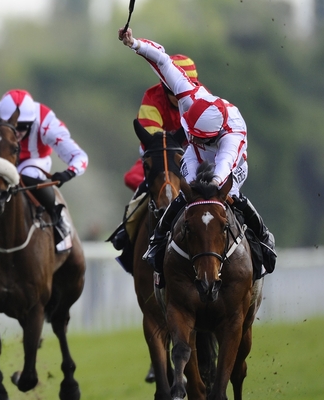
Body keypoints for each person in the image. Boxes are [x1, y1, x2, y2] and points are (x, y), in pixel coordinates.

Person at [118, 27, 276, 285]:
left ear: (214, 132)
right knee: (184, 195)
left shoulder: (232, 134)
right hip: (194, 150)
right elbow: (161, 59)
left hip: (229, 161)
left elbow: (224, 166)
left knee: (228, 195)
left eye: (202, 136)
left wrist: (212, 187)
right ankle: (159, 243)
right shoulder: (187, 94)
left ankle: (262, 237)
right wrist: (134, 43)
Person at [0, 89, 88, 252]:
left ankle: (59, 220)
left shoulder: (46, 122)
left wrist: (68, 172)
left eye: (24, 126)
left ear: (33, 122)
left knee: (27, 176)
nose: (17, 132)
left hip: (33, 161)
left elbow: (80, 157)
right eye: (11, 125)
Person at [107, 55, 202, 270]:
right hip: (161, 155)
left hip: (194, 154)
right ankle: (127, 233)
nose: (178, 97)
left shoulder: (200, 98)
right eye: (172, 91)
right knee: (138, 185)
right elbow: (156, 143)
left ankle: (256, 237)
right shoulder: (152, 97)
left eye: (182, 90)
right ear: (164, 85)